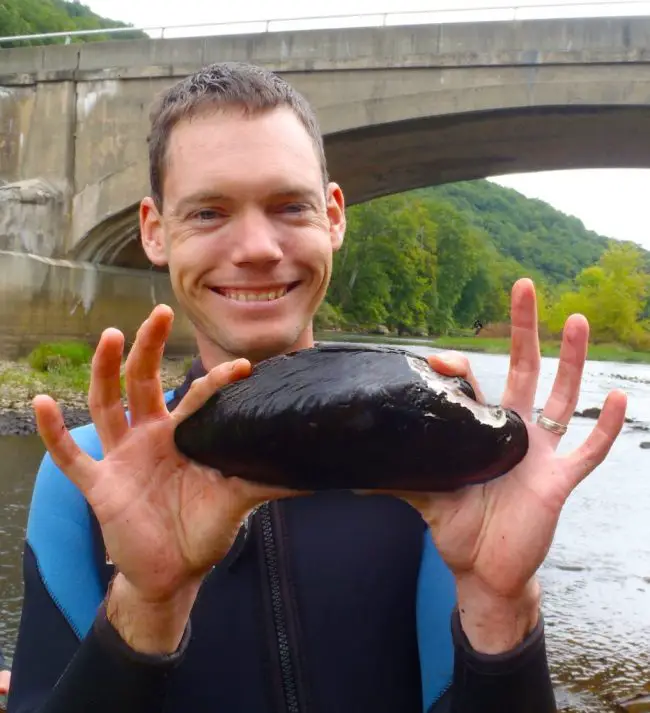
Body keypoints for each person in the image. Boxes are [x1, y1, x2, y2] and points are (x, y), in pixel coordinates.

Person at [7, 62, 626, 713]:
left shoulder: (441, 477)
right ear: (155, 230)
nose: (256, 246)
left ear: (333, 216)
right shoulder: (86, 478)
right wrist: (147, 607)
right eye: (210, 211)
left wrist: (503, 607)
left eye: (288, 206)